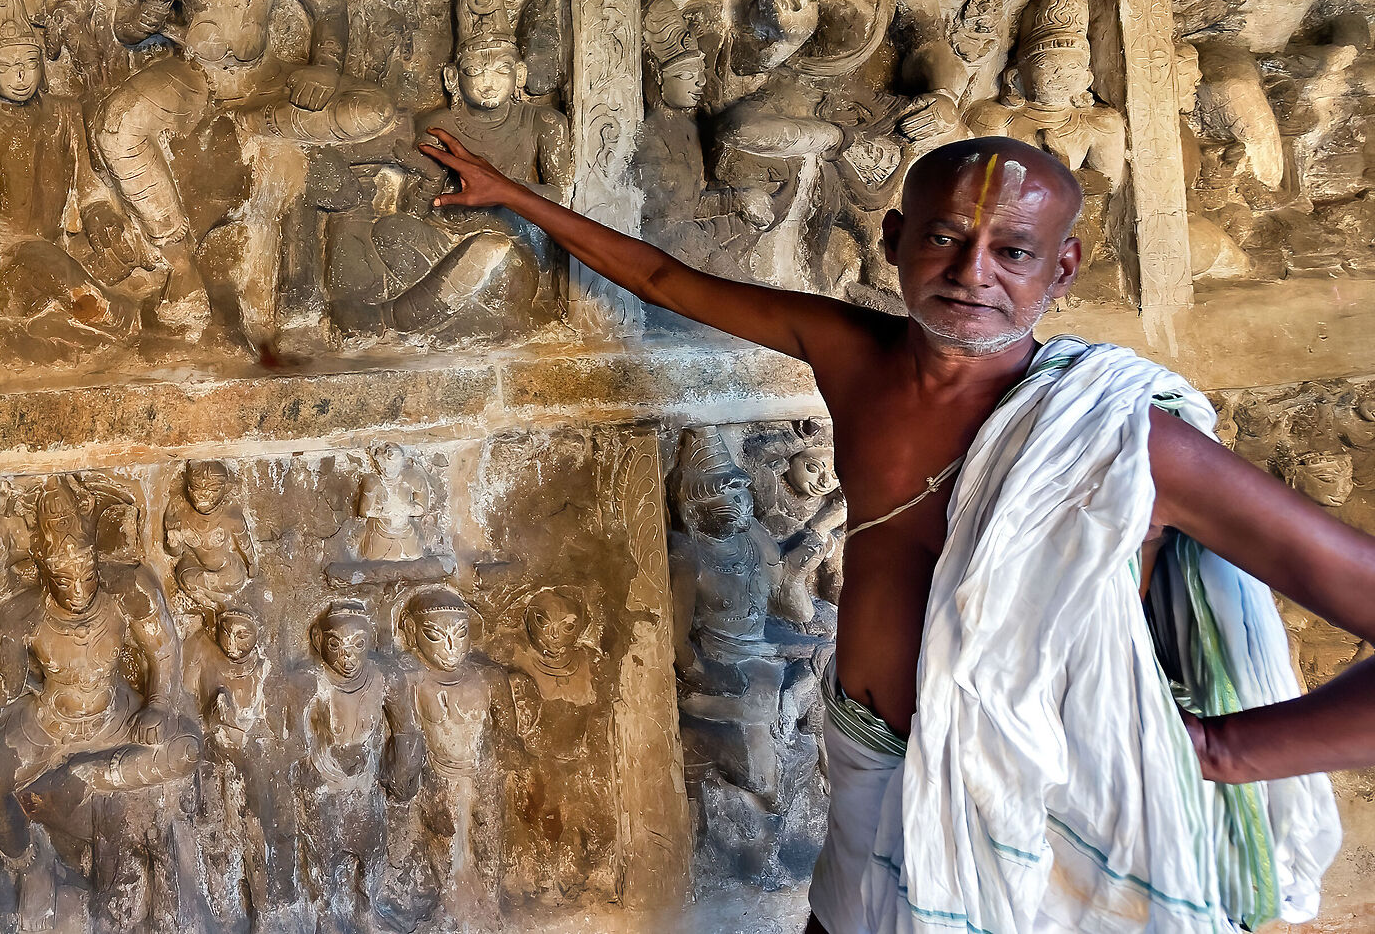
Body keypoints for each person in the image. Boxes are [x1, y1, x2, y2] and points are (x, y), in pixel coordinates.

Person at [418, 125, 1371, 934]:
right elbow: (668, 279)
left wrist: (1221, 752)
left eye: (1014, 251)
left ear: (1063, 266)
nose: (973, 274)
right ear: (892, 238)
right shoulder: (851, 355)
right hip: (867, 758)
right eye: (947, 238)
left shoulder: (1125, 440)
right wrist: (514, 197)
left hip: (1040, 803)